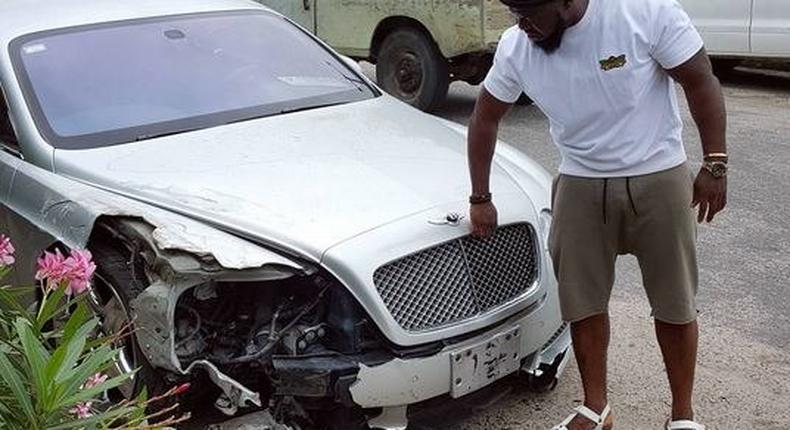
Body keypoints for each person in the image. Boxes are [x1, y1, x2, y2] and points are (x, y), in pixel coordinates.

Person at [466, 0, 728, 428]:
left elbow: (700, 80)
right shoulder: (517, 47)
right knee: (582, 303)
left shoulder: (643, 12)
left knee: (675, 302)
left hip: (658, 175)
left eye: (530, 12)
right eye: (515, 13)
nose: (522, 24)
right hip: (579, 183)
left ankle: (683, 415)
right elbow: (484, 118)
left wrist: (715, 162)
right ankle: (595, 408)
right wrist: (480, 197)